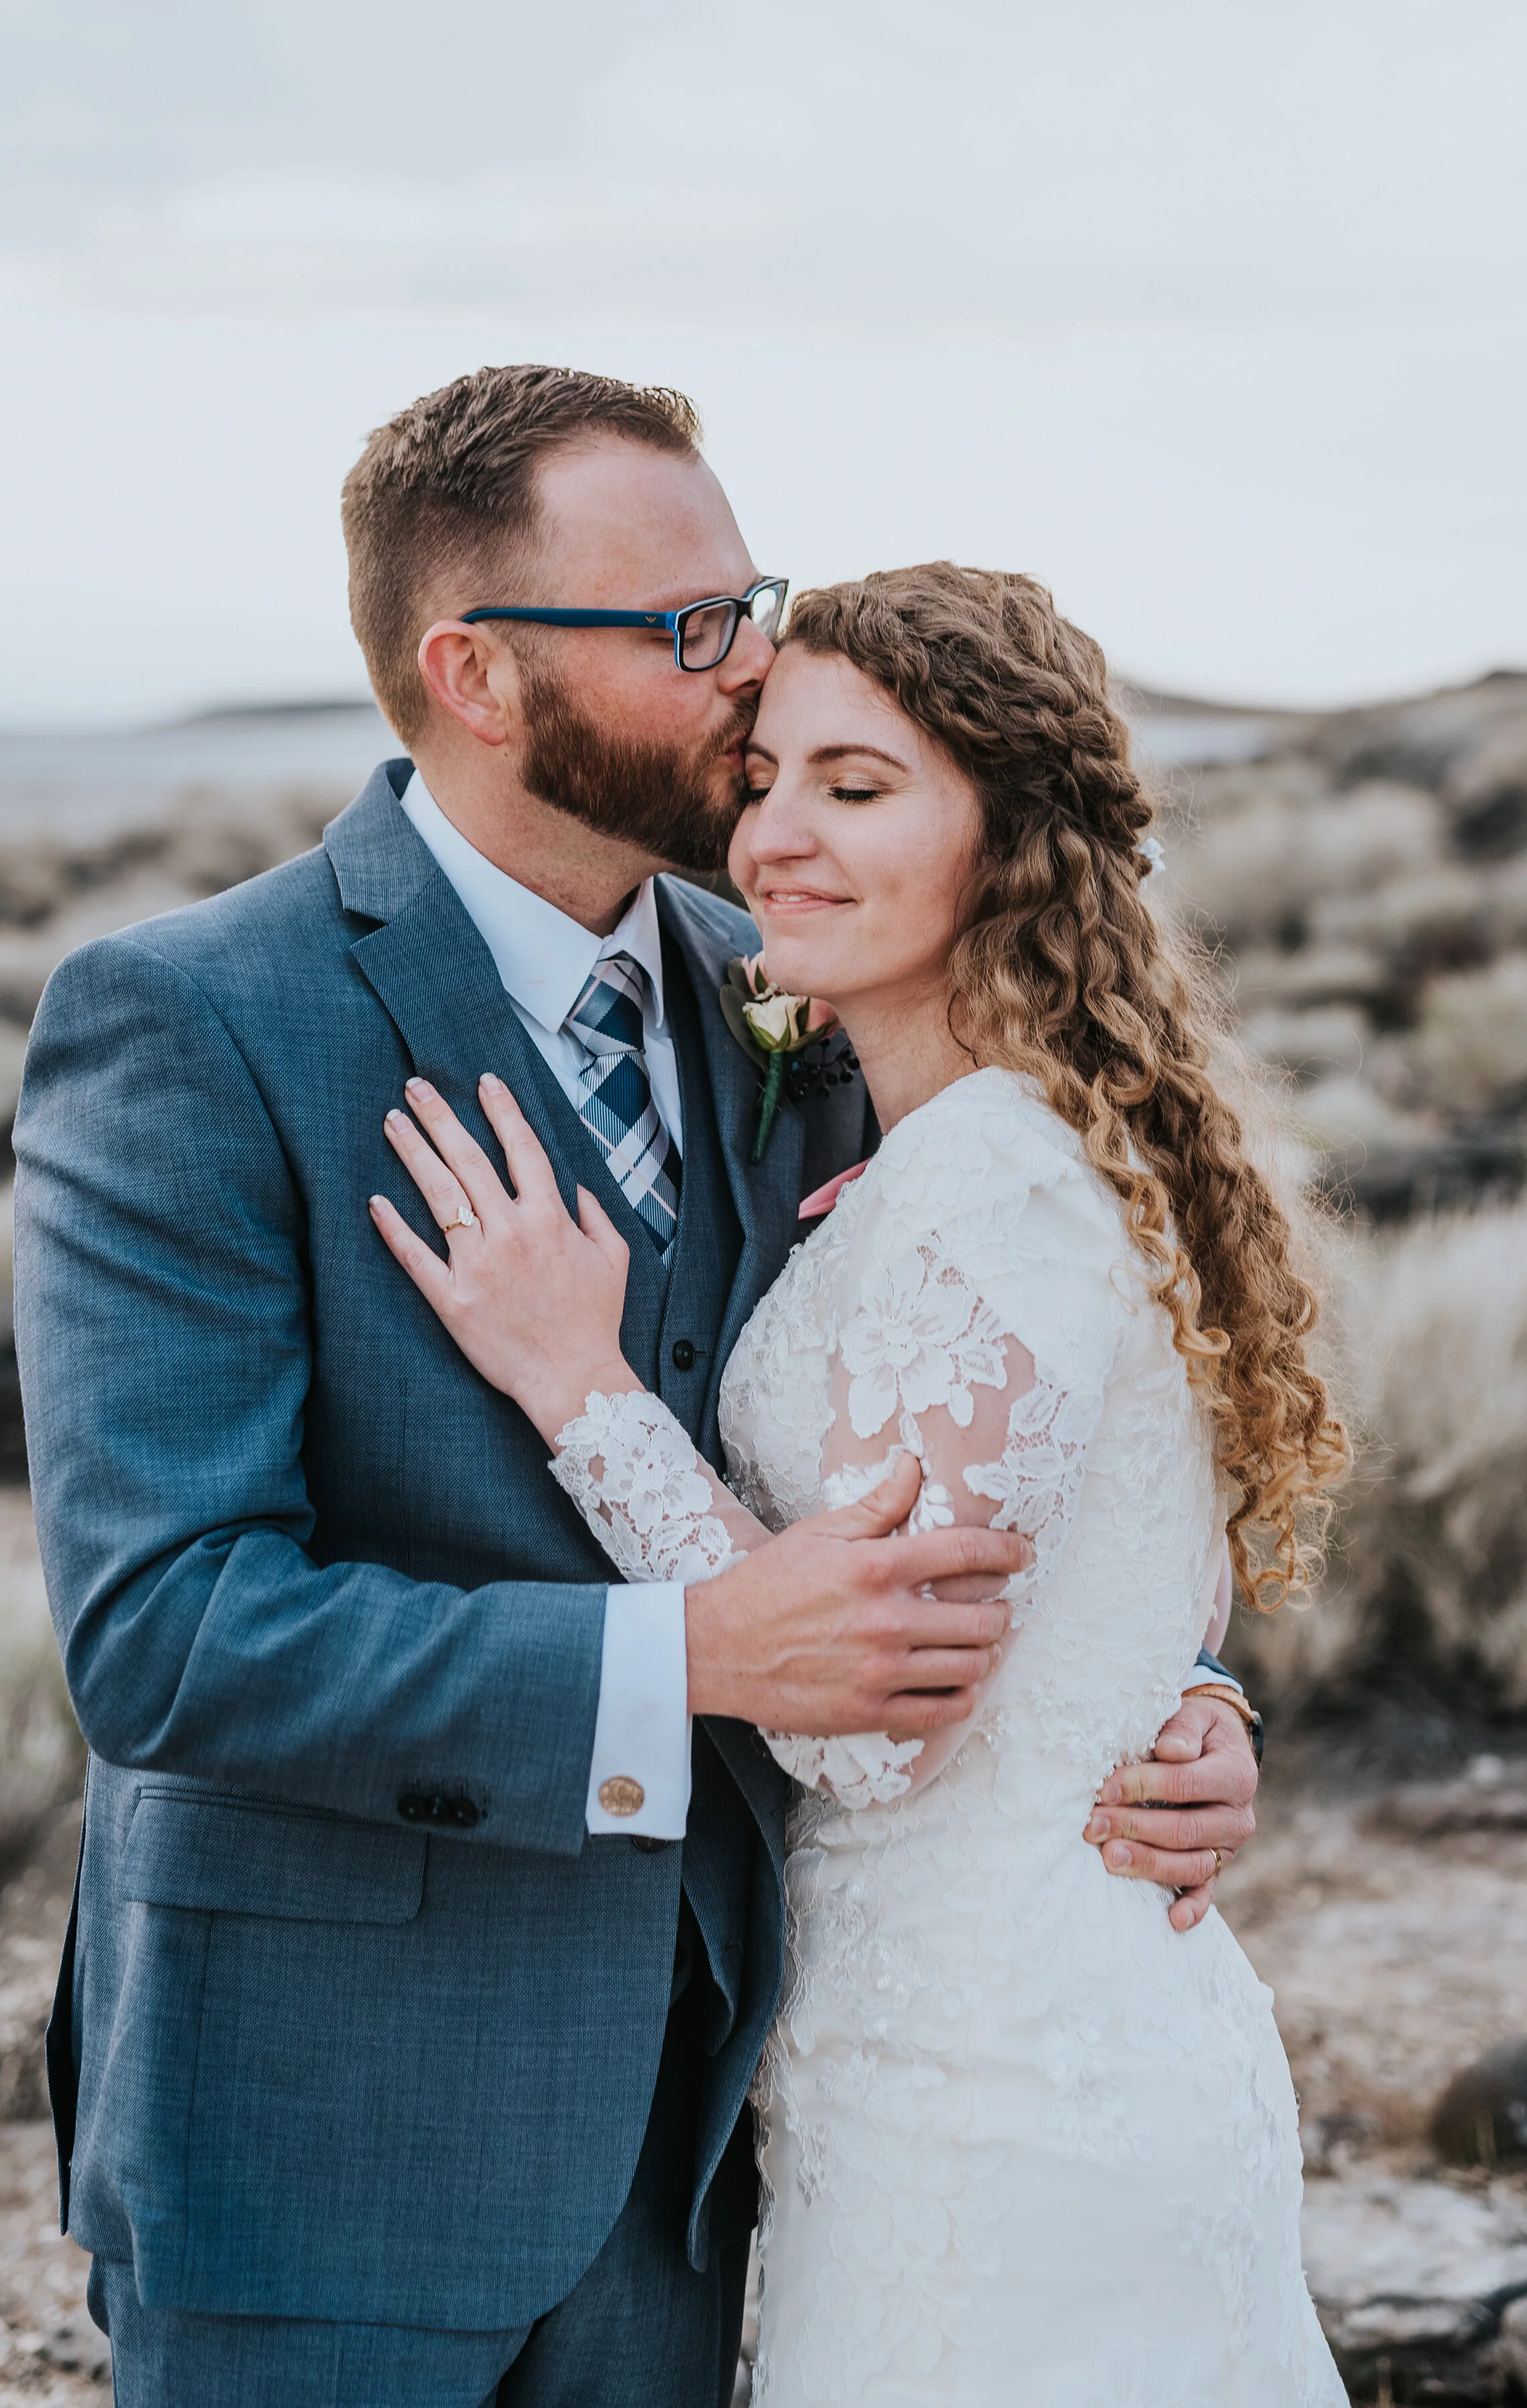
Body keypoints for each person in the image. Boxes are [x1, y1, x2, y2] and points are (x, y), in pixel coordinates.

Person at [14, 368, 1261, 2408]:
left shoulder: (794, 985)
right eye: (690, 628)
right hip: (335, 2143)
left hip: (715, 2151)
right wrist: (680, 1656)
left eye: (747, 598)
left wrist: (1177, 1698)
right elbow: (165, 1635)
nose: (752, 661)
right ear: (478, 675)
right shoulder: (191, 1025)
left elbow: (1020, 1394)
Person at [369, 559, 1349, 2402]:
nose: (775, 838)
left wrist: (585, 1390)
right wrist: (1187, 1695)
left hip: (1003, 2081)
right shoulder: (936, 1140)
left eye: (860, 785)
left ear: (1017, 842)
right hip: (925, 2050)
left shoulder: (996, 1187)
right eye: (767, 781)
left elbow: (869, 1729)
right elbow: (1150, 1572)